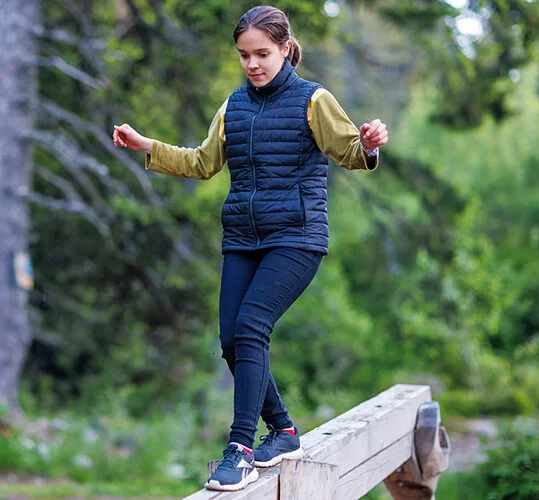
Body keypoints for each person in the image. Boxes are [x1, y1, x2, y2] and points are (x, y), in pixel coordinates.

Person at [112, 5, 388, 492]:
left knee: (252, 325)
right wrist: (146, 145)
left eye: (262, 53)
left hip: (297, 237)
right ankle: (283, 431)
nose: (253, 64)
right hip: (243, 236)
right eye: (244, 55)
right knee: (230, 341)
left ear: (285, 49)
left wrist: (368, 143)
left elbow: (349, 151)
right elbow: (201, 162)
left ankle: (240, 448)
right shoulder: (233, 107)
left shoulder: (313, 100)